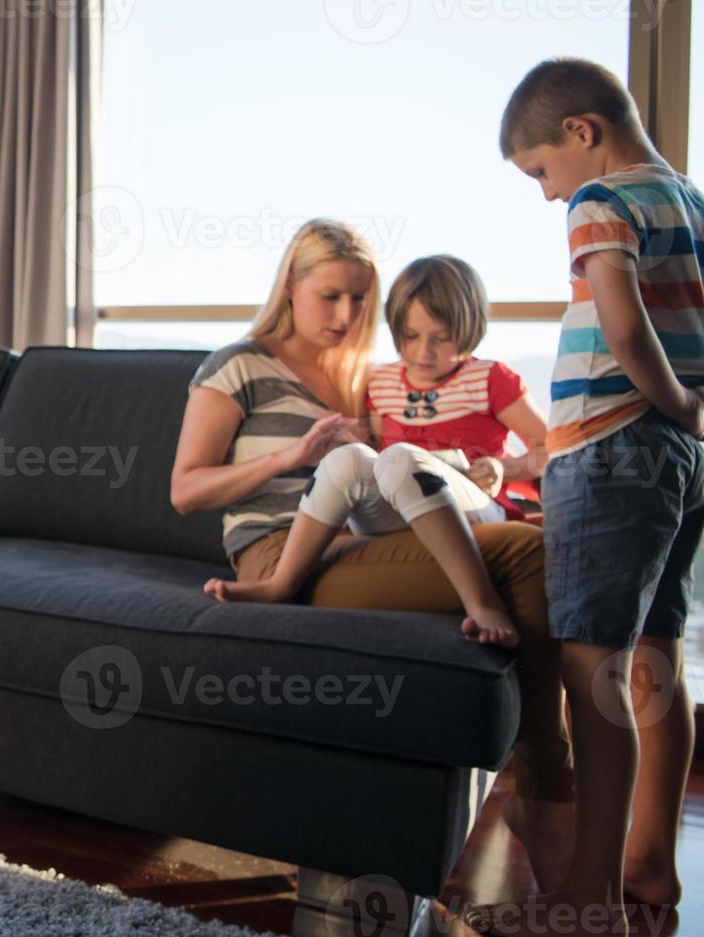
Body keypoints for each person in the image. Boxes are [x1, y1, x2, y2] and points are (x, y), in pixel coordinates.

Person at [172, 217, 574, 895]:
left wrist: (486, 475)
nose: (345, 314)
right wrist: (292, 455)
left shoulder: (365, 379)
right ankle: (546, 790)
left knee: (521, 546)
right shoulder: (239, 363)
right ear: (291, 287)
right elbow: (185, 489)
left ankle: (544, 802)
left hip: (367, 544)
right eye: (329, 295)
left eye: (359, 298)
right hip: (281, 553)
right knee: (524, 558)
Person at [464, 58, 703, 937]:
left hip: (615, 444)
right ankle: (646, 864)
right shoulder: (689, 198)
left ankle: (585, 904)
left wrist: (671, 400)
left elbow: (620, 316)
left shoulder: (601, 199)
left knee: (590, 670)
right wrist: (691, 416)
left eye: (538, 172)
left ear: (580, 132)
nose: (544, 193)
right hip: (681, 457)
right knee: (654, 659)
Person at [204, 255, 548, 649]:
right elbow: (375, 453)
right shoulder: (381, 382)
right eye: (410, 336)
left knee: (401, 459)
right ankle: (280, 584)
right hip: (400, 507)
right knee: (349, 461)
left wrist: (507, 468)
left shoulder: (489, 378)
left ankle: (482, 602)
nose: (423, 352)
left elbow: (554, 447)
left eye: (440, 337)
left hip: (469, 499)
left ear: (469, 329)